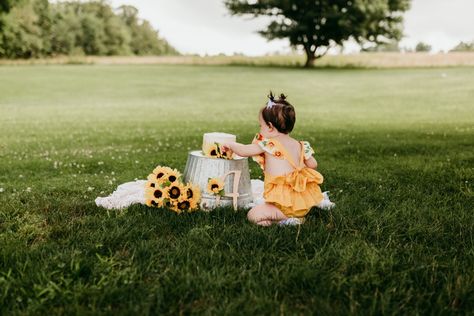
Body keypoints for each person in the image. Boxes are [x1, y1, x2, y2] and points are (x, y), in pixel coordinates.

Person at [221, 92, 334, 226]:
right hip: (300, 203)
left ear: (270, 127)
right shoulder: (301, 145)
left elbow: (245, 151)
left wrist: (231, 145)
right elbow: (313, 165)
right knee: (266, 211)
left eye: (260, 126)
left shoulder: (269, 144)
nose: (260, 129)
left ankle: (284, 219)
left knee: (252, 214)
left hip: (283, 206)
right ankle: (293, 217)